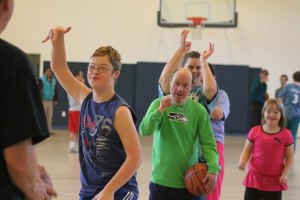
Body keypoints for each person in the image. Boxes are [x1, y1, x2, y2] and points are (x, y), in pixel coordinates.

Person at [43, 26, 142, 200]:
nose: (95, 71)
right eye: (91, 66)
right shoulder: (85, 98)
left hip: (120, 189)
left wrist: (109, 190)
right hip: (89, 191)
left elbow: (135, 158)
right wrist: (58, 40)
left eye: (102, 68)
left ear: (116, 74)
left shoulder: (119, 111)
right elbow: (58, 67)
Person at [0, 0, 57, 199]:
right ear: (6, 5)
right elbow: (17, 159)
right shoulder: (10, 61)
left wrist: (32, 168)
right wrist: (33, 184)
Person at [139, 68, 220, 200]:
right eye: (176, 83)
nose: (180, 89)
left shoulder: (199, 111)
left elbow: (208, 144)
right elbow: (144, 130)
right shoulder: (157, 104)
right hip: (161, 181)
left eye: (185, 85)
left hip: (187, 183)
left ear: (191, 87)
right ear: (170, 82)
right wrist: (159, 111)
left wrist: (213, 168)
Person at [238, 99, 294, 200]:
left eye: (276, 112)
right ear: (263, 112)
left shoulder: (286, 135)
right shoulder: (254, 131)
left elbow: (290, 157)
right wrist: (242, 161)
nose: (271, 115)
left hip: (275, 182)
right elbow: (247, 150)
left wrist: (284, 174)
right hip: (254, 179)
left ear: (281, 115)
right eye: (268, 111)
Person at [158, 30, 218, 113]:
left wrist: (203, 60)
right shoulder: (174, 88)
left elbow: (210, 89)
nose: (194, 70)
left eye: (198, 68)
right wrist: (181, 49)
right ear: (182, 67)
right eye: (190, 67)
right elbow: (164, 79)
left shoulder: (202, 92)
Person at [206, 64, 230, 200]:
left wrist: (197, 101)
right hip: (191, 143)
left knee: (211, 191)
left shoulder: (221, 95)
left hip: (214, 143)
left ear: (213, 78)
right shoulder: (188, 93)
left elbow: (218, 114)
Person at [278, 71, 300, 152]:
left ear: (293, 77)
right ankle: (290, 154)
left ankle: (280, 151)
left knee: (283, 134)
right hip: (297, 115)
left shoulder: (288, 86)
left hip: (286, 114)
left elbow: (279, 99)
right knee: (292, 135)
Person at [67, 69, 84, 153]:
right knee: (78, 130)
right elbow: (81, 96)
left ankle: (72, 146)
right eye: (81, 75)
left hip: (72, 110)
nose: (82, 77)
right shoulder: (76, 85)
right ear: (76, 76)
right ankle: (79, 146)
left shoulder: (70, 84)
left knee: (73, 130)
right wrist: (83, 84)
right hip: (76, 110)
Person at [38, 66, 58, 135]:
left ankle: (48, 131)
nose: (49, 72)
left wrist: (55, 99)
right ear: (45, 72)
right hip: (43, 100)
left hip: (50, 101)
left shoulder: (53, 80)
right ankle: (41, 131)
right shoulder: (41, 79)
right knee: (42, 116)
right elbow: (38, 90)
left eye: (50, 71)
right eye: (48, 71)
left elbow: (55, 90)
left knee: (49, 116)